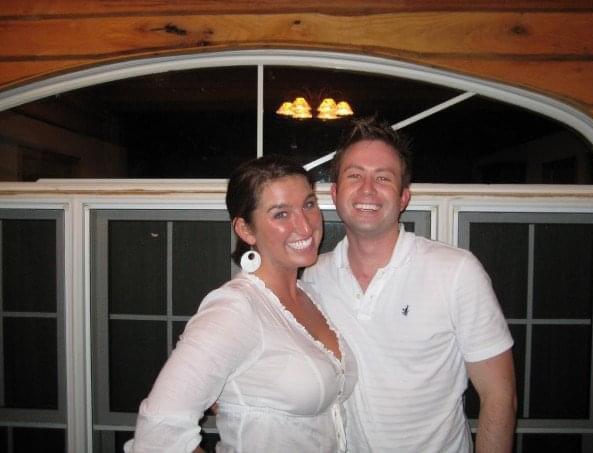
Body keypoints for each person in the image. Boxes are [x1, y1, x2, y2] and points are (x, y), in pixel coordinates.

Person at [303, 117, 517, 452]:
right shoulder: (314, 277)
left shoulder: (456, 272)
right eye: (354, 175)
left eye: (383, 178)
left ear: (403, 197)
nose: (367, 189)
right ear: (335, 192)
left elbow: (500, 395)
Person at [125, 156, 357, 453]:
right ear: (246, 230)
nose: (305, 225)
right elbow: (157, 435)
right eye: (281, 214)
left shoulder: (313, 296)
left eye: (308, 204)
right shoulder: (235, 309)